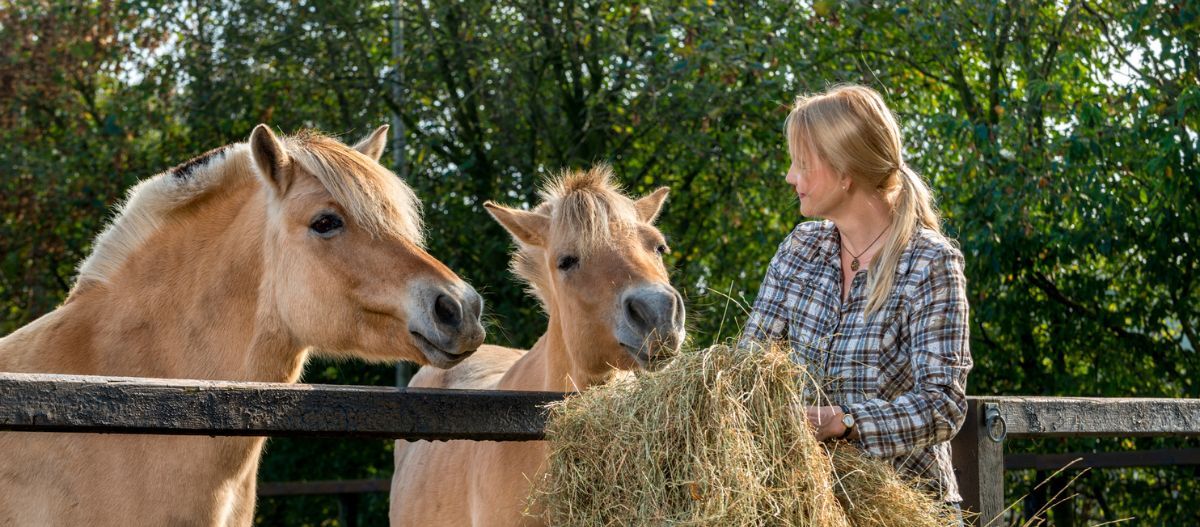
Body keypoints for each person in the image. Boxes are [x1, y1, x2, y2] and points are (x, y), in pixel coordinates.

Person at [740, 84, 972, 517]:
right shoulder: (800, 249)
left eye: (802, 164)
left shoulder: (928, 263)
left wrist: (844, 422)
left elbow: (944, 404)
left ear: (845, 171)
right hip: (810, 508)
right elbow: (747, 366)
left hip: (909, 510)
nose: (791, 177)